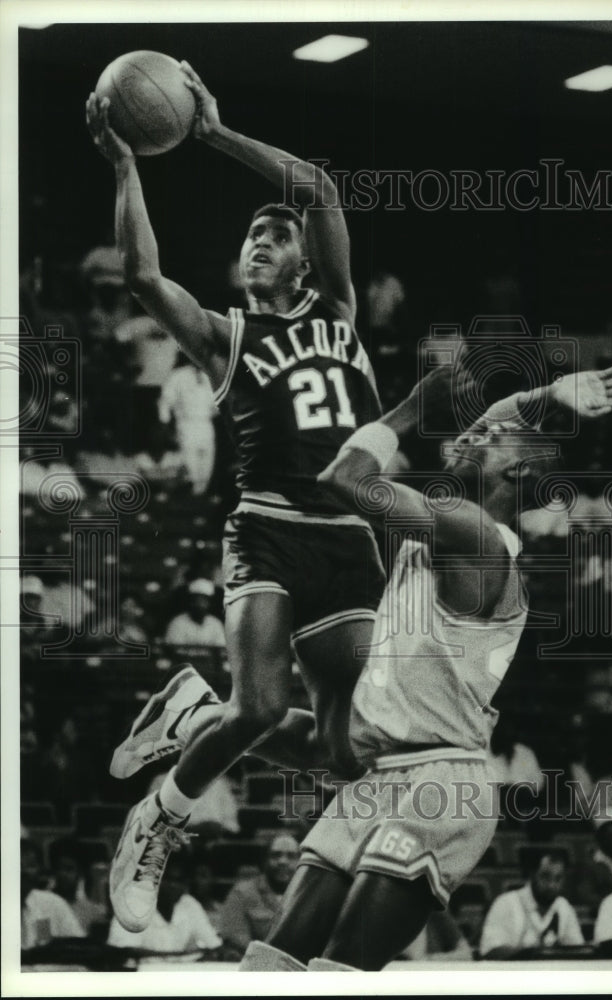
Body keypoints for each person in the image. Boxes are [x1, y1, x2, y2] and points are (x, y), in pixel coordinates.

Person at [86, 61, 386, 935]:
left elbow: (319, 187)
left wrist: (212, 134)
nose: (262, 238)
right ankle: (159, 818)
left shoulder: (338, 310)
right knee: (258, 707)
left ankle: (189, 710)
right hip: (266, 530)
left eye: (276, 233)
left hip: (348, 541)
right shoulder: (227, 337)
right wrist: (125, 164)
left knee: (350, 752)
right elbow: (144, 277)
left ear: (301, 259)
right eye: (253, 234)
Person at [234, 364, 612, 971]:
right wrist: (549, 393)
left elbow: (344, 478)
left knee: (335, 975)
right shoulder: (449, 527)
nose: (470, 434)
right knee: (269, 968)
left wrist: (408, 411)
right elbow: (498, 415)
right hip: (382, 774)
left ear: (518, 472)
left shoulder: (476, 534)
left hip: (443, 783)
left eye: (490, 438)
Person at [108, 854, 222, 956]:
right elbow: (123, 952)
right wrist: (182, 955)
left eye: (180, 881)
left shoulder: (189, 903)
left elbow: (213, 945)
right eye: (169, 880)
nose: (174, 886)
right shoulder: (132, 903)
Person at [479, 851, 584, 959]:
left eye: (558, 878)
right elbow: (491, 952)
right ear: (532, 874)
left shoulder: (564, 907)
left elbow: (578, 951)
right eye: (545, 876)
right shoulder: (506, 903)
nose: (552, 885)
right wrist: (534, 954)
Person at [216, 833, 300, 961]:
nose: (283, 861)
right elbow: (237, 942)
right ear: (265, 860)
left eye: (291, 856)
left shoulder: (311, 895)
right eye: (275, 855)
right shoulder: (242, 893)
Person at [158, 360, 218, 495]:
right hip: (186, 423)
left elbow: (216, 404)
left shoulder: (210, 375)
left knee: (207, 462)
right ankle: (192, 495)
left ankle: (202, 495)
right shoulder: (179, 375)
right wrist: (165, 423)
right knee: (190, 463)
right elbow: (166, 400)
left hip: (206, 423)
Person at [21, 840, 85, 950]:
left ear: (40, 871)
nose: (23, 872)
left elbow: (80, 950)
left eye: (30, 866)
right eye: (17, 865)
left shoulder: (52, 903)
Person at [164, 578, 226, 648]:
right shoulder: (177, 623)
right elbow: (174, 650)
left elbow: (220, 649)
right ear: (191, 602)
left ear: (209, 604)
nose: (200, 605)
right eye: (197, 601)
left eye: (204, 601)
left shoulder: (216, 624)